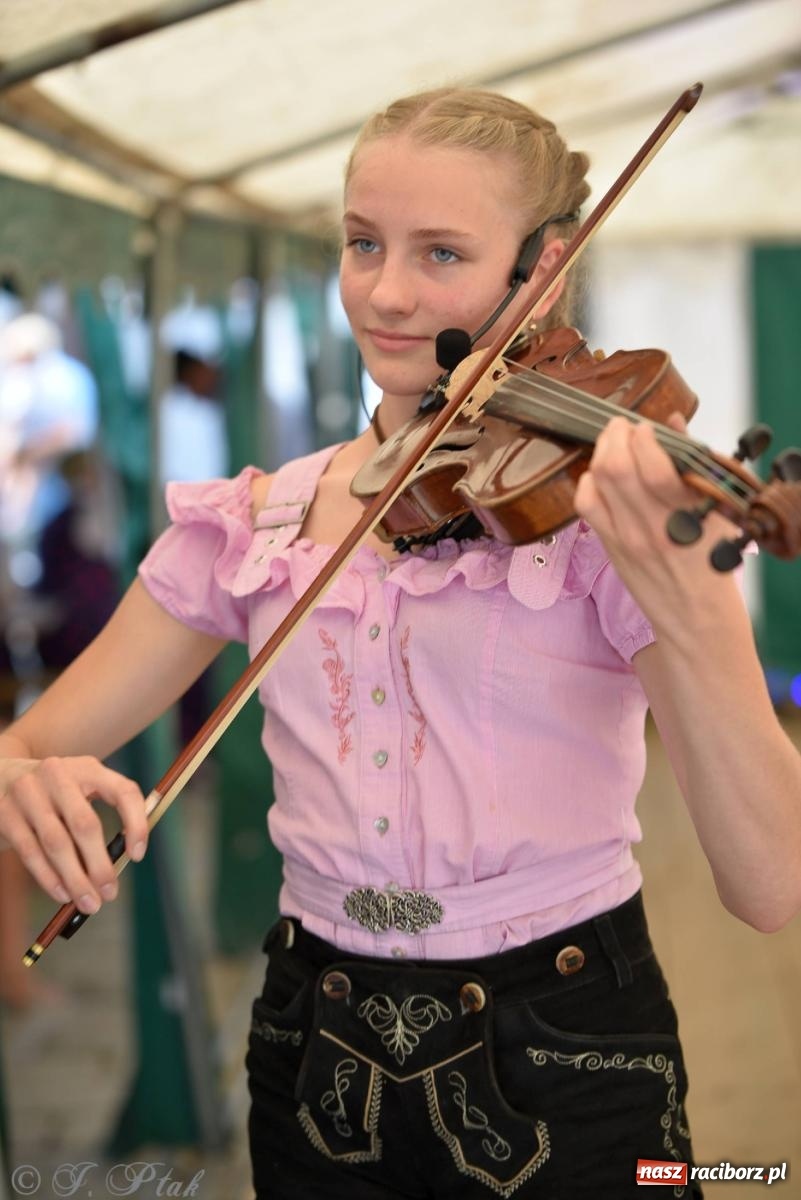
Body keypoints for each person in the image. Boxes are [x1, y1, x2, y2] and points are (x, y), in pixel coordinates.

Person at [0, 88, 800, 1198]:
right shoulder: (260, 521)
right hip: (314, 1046)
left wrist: (701, 605)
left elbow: (771, 884)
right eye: (363, 243)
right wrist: (22, 781)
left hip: (571, 1042)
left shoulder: (597, 525)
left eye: (441, 253)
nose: (384, 292)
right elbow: (29, 743)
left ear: (544, 271)